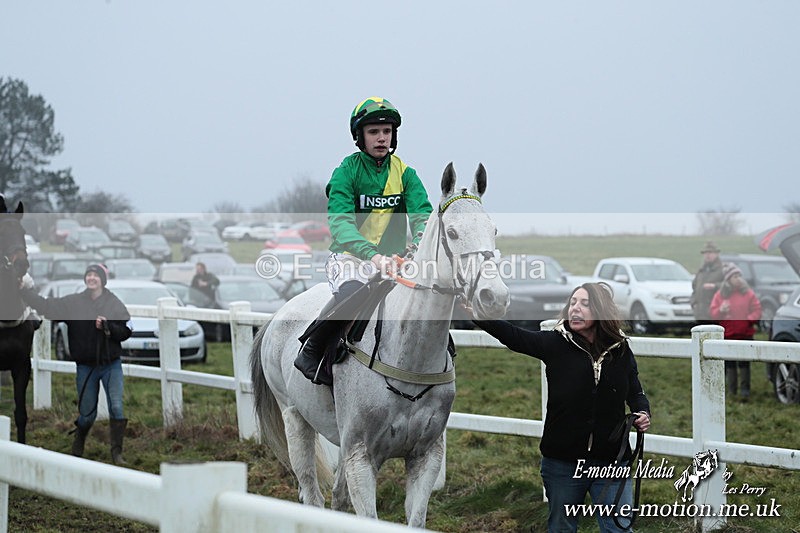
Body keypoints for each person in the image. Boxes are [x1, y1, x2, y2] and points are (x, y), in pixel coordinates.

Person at [473, 283, 651, 533]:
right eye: (573, 303)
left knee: (618, 529)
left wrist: (643, 412)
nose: (575, 309)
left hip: (612, 461)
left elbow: (635, 391)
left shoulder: (620, 350)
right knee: (562, 528)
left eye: (585, 304)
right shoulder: (554, 344)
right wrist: (476, 313)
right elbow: (513, 336)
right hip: (563, 463)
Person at [293, 96, 433, 385]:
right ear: (360, 136)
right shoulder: (347, 171)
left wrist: (419, 242)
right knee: (353, 294)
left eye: (387, 131)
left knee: (426, 300)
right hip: (351, 259)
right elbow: (340, 223)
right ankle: (312, 349)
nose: (382, 138)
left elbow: (423, 216)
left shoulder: (406, 174)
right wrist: (371, 254)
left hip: (394, 263)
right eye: (374, 132)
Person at [20, 264, 133, 463]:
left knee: (116, 407)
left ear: (102, 280)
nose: (91, 278)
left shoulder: (114, 303)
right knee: (88, 414)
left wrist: (109, 327)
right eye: (88, 275)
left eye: (95, 275)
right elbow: (47, 306)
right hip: (85, 366)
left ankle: (117, 453)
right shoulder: (74, 303)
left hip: (110, 365)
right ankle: (80, 437)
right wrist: (25, 292)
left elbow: (127, 330)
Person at [709, 263, 762, 402]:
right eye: (734, 276)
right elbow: (713, 314)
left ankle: (745, 391)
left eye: (739, 275)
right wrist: (721, 310)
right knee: (730, 364)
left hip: (745, 334)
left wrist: (748, 320)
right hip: (728, 335)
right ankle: (732, 391)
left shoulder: (748, 293)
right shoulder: (720, 295)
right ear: (728, 279)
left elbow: (757, 310)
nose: (738, 279)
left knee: (745, 364)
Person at [691, 241, 724, 324]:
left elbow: (730, 286)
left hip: (715, 313)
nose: (707, 255)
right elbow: (694, 287)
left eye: (710, 252)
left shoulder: (722, 270)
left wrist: (715, 286)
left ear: (716, 254)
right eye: (705, 253)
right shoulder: (701, 270)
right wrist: (693, 302)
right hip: (700, 313)